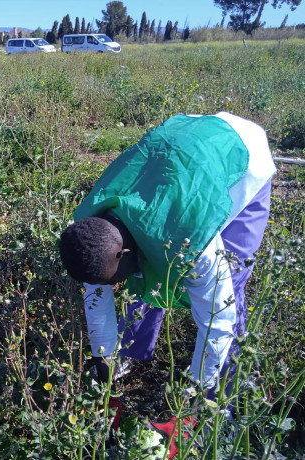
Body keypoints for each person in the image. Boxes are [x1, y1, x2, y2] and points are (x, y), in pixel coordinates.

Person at [59, 112, 276, 456]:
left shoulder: (195, 245)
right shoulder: (94, 233)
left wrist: (191, 403)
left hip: (242, 157)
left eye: (114, 280)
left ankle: (219, 404)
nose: (113, 288)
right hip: (183, 146)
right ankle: (129, 356)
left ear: (124, 251)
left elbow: (217, 318)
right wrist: (105, 373)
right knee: (142, 278)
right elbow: (97, 297)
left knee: (230, 286)